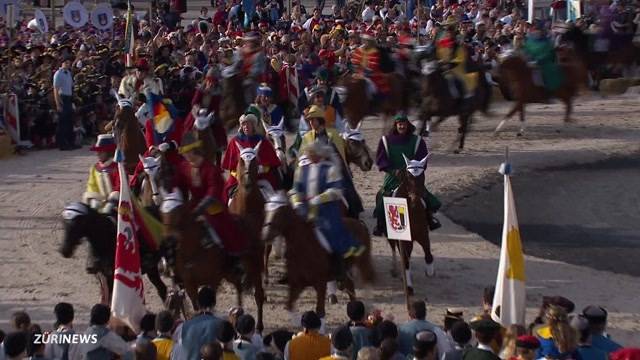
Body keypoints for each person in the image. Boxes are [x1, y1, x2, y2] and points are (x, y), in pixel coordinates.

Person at [291, 142, 366, 274]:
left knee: (331, 236)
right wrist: (297, 203)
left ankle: (339, 269)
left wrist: (318, 199)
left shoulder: (330, 169)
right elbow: (295, 190)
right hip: (305, 209)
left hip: (326, 208)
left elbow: (335, 191)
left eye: (311, 154)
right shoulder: (302, 171)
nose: (309, 156)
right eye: (308, 154)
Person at [174, 132, 249, 255]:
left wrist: (202, 207)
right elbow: (178, 185)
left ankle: (234, 258)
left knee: (223, 229)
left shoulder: (210, 169)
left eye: (187, 152)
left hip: (213, 206)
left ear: (194, 151)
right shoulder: (183, 168)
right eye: (184, 153)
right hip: (193, 205)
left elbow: (213, 189)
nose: (186, 156)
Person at [373, 115, 441, 236]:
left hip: (412, 175)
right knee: (382, 195)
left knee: (422, 194)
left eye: (403, 123)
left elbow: (423, 159)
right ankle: (380, 224)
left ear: (407, 125)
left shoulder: (417, 141)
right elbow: (381, 159)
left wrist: (416, 170)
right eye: (399, 123)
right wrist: (392, 171)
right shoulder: (385, 141)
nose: (401, 126)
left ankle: (430, 219)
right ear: (395, 125)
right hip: (393, 176)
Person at [297, 105, 364, 219]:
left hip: (333, 169)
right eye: (309, 120)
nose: (311, 123)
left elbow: (340, 154)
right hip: (313, 169)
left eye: (313, 119)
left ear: (319, 120)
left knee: (347, 189)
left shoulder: (332, 134)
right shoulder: (307, 137)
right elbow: (301, 156)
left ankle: (354, 216)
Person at [221, 113, 281, 203]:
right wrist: (239, 174)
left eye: (248, 124)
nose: (246, 126)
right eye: (243, 124)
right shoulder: (234, 141)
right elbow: (231, 167)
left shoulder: (263, 141)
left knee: (273, 197)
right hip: (239, 179)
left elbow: (272, 164)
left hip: (261, 178)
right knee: (227, 199)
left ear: (253, 125)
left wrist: (259, 169)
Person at [174, 286, 224, 360]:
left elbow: (178, 350)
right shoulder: (222, 325)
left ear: (197, 303)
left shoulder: (183, 326)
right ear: (214, 303)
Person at [522, 20, 563, 92]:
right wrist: (527, 60)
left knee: (540, 72)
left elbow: (549, 53)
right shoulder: (529, 42)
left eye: (538, 31)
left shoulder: (546, 42)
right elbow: (526, 52)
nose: (536, 33)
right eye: (535, 31)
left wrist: (538, 61)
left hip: (545, 62)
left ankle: (544, 90)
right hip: (531, 62)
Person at [350, 31, 390, 100]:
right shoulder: (358, 50)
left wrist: (364, 72)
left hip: (371, 75)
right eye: (364, 40)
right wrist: (356, 68)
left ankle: (373, 105)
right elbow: (355, 61)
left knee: (372, 88)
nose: (364, 42)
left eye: (366, 41)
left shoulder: (374, 51)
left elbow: (373, 66)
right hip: (358, 74)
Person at [53, 55, 76, 151]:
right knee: (62, 122)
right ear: (62, 63)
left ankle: (70, 142)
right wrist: (58, 104)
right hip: (62, 98)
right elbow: (56, 89)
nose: (68, 64)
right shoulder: (58, 74)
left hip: (69, 98)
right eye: (66, 62)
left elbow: (70, 87)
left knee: (69, 121)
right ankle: (61, 143)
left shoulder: (69, 73)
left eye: (69, 63)